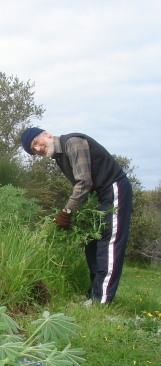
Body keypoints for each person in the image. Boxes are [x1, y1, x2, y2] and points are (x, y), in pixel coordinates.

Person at [20, 127, 132, 305]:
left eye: (36, 143)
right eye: (34, 150)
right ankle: (93, 293)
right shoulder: (59, 157)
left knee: (108, 241)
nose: (38, 149)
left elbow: (84, 182)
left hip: (112, 188)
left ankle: (100, 300)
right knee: (91, 243)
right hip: (97, 198)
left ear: (46, 134)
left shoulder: (72, 143)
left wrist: (67, 212)